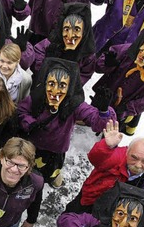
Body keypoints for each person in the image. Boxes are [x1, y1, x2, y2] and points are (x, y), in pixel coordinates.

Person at [18, 57, 116, 188]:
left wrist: (103, 111)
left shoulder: (74, 105)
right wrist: (29, 123)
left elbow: (98, 123)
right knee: (26, 167)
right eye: (51, 83)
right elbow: (21, 112)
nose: (55, 90)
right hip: (32, 144)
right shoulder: (35, 98)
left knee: (49, 171)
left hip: (55, 150)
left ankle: (51, 176)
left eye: (62, 85)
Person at [64, 119, 144, 214]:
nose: (138, 165)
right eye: (134, 158)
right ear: (127, 152)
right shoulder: (116, 157)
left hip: (120, 214)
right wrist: (106, 146)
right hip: (91, 200)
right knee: (70, 220)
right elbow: (95, 158)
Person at [31, 2, 96, 85]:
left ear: (84, 32)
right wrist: (47, 63)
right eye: (66, 29)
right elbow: (36, 65)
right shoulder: (48, 44)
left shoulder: (88, 55)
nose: (70, 35)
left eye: (76, 29)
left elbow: (83, 78)